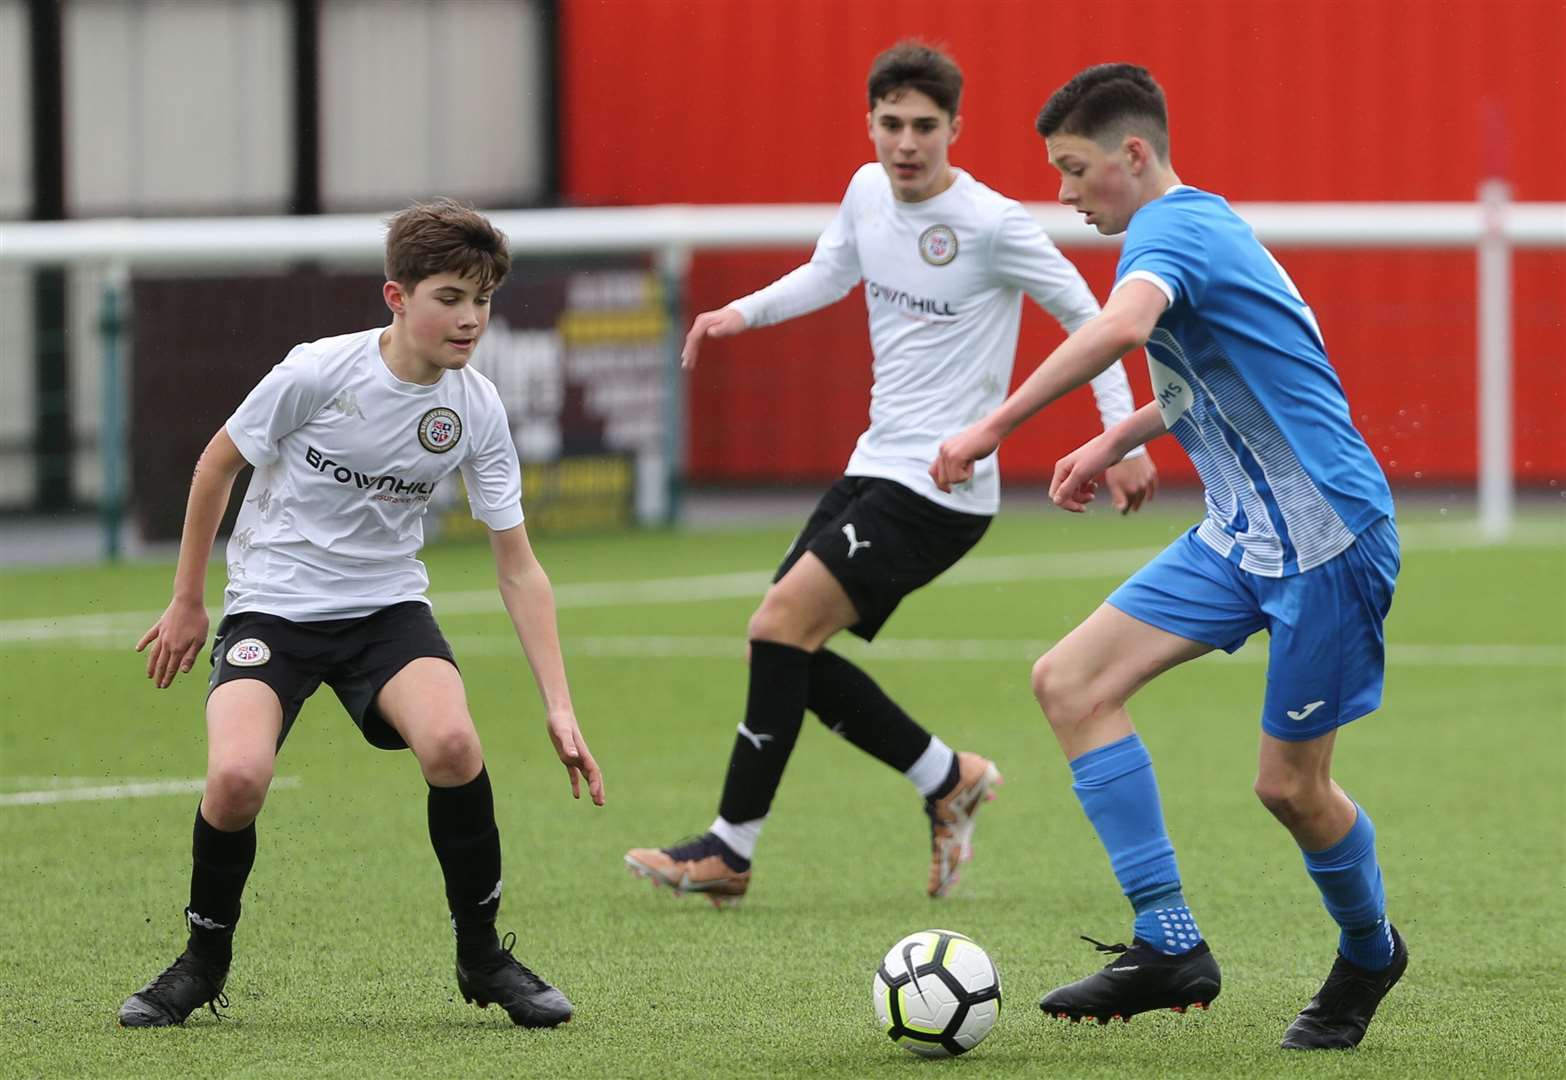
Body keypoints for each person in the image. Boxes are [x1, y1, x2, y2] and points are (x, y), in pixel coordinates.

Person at [931, 64, 1404, 1050]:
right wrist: (1115, 439)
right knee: (1069, 682)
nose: (1064, 193)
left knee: (1290, 791)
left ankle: (1369, 951)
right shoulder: (1199, 228)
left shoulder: (1169, 230)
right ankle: (1168, 942)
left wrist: (991, 428)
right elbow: (1224, 367)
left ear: (1132, 155)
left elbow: (1123, 328)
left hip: (1326, 542)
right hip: (1243, 535)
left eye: (1073, 168)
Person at [623, 41, 1156, 907]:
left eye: (924, 127)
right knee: (782, 646)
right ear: (870, 124)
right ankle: (946, 777)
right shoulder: (868, 191)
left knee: (777, 626)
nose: (905, 143)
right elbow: (829, 272)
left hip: (943, 488)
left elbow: (1090, 317)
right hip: (877, 463)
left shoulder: (992, 223)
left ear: (954, 130)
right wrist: (739, 313)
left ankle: (731, 848)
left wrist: (1119, 438)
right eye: (891, 124)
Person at [118, 198, 605, 1030]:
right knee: (237, 779)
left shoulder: (476, 409)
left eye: (482, 300)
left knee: (454, 744)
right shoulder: (318, 372)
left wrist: (560, 707)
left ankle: (484, 956)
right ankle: (202, 964)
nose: (470, 318)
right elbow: (216, 466)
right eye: (450, 297)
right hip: (273, 607)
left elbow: (518, 568)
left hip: (385, 610)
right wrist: (189, 599)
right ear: (397, 297)